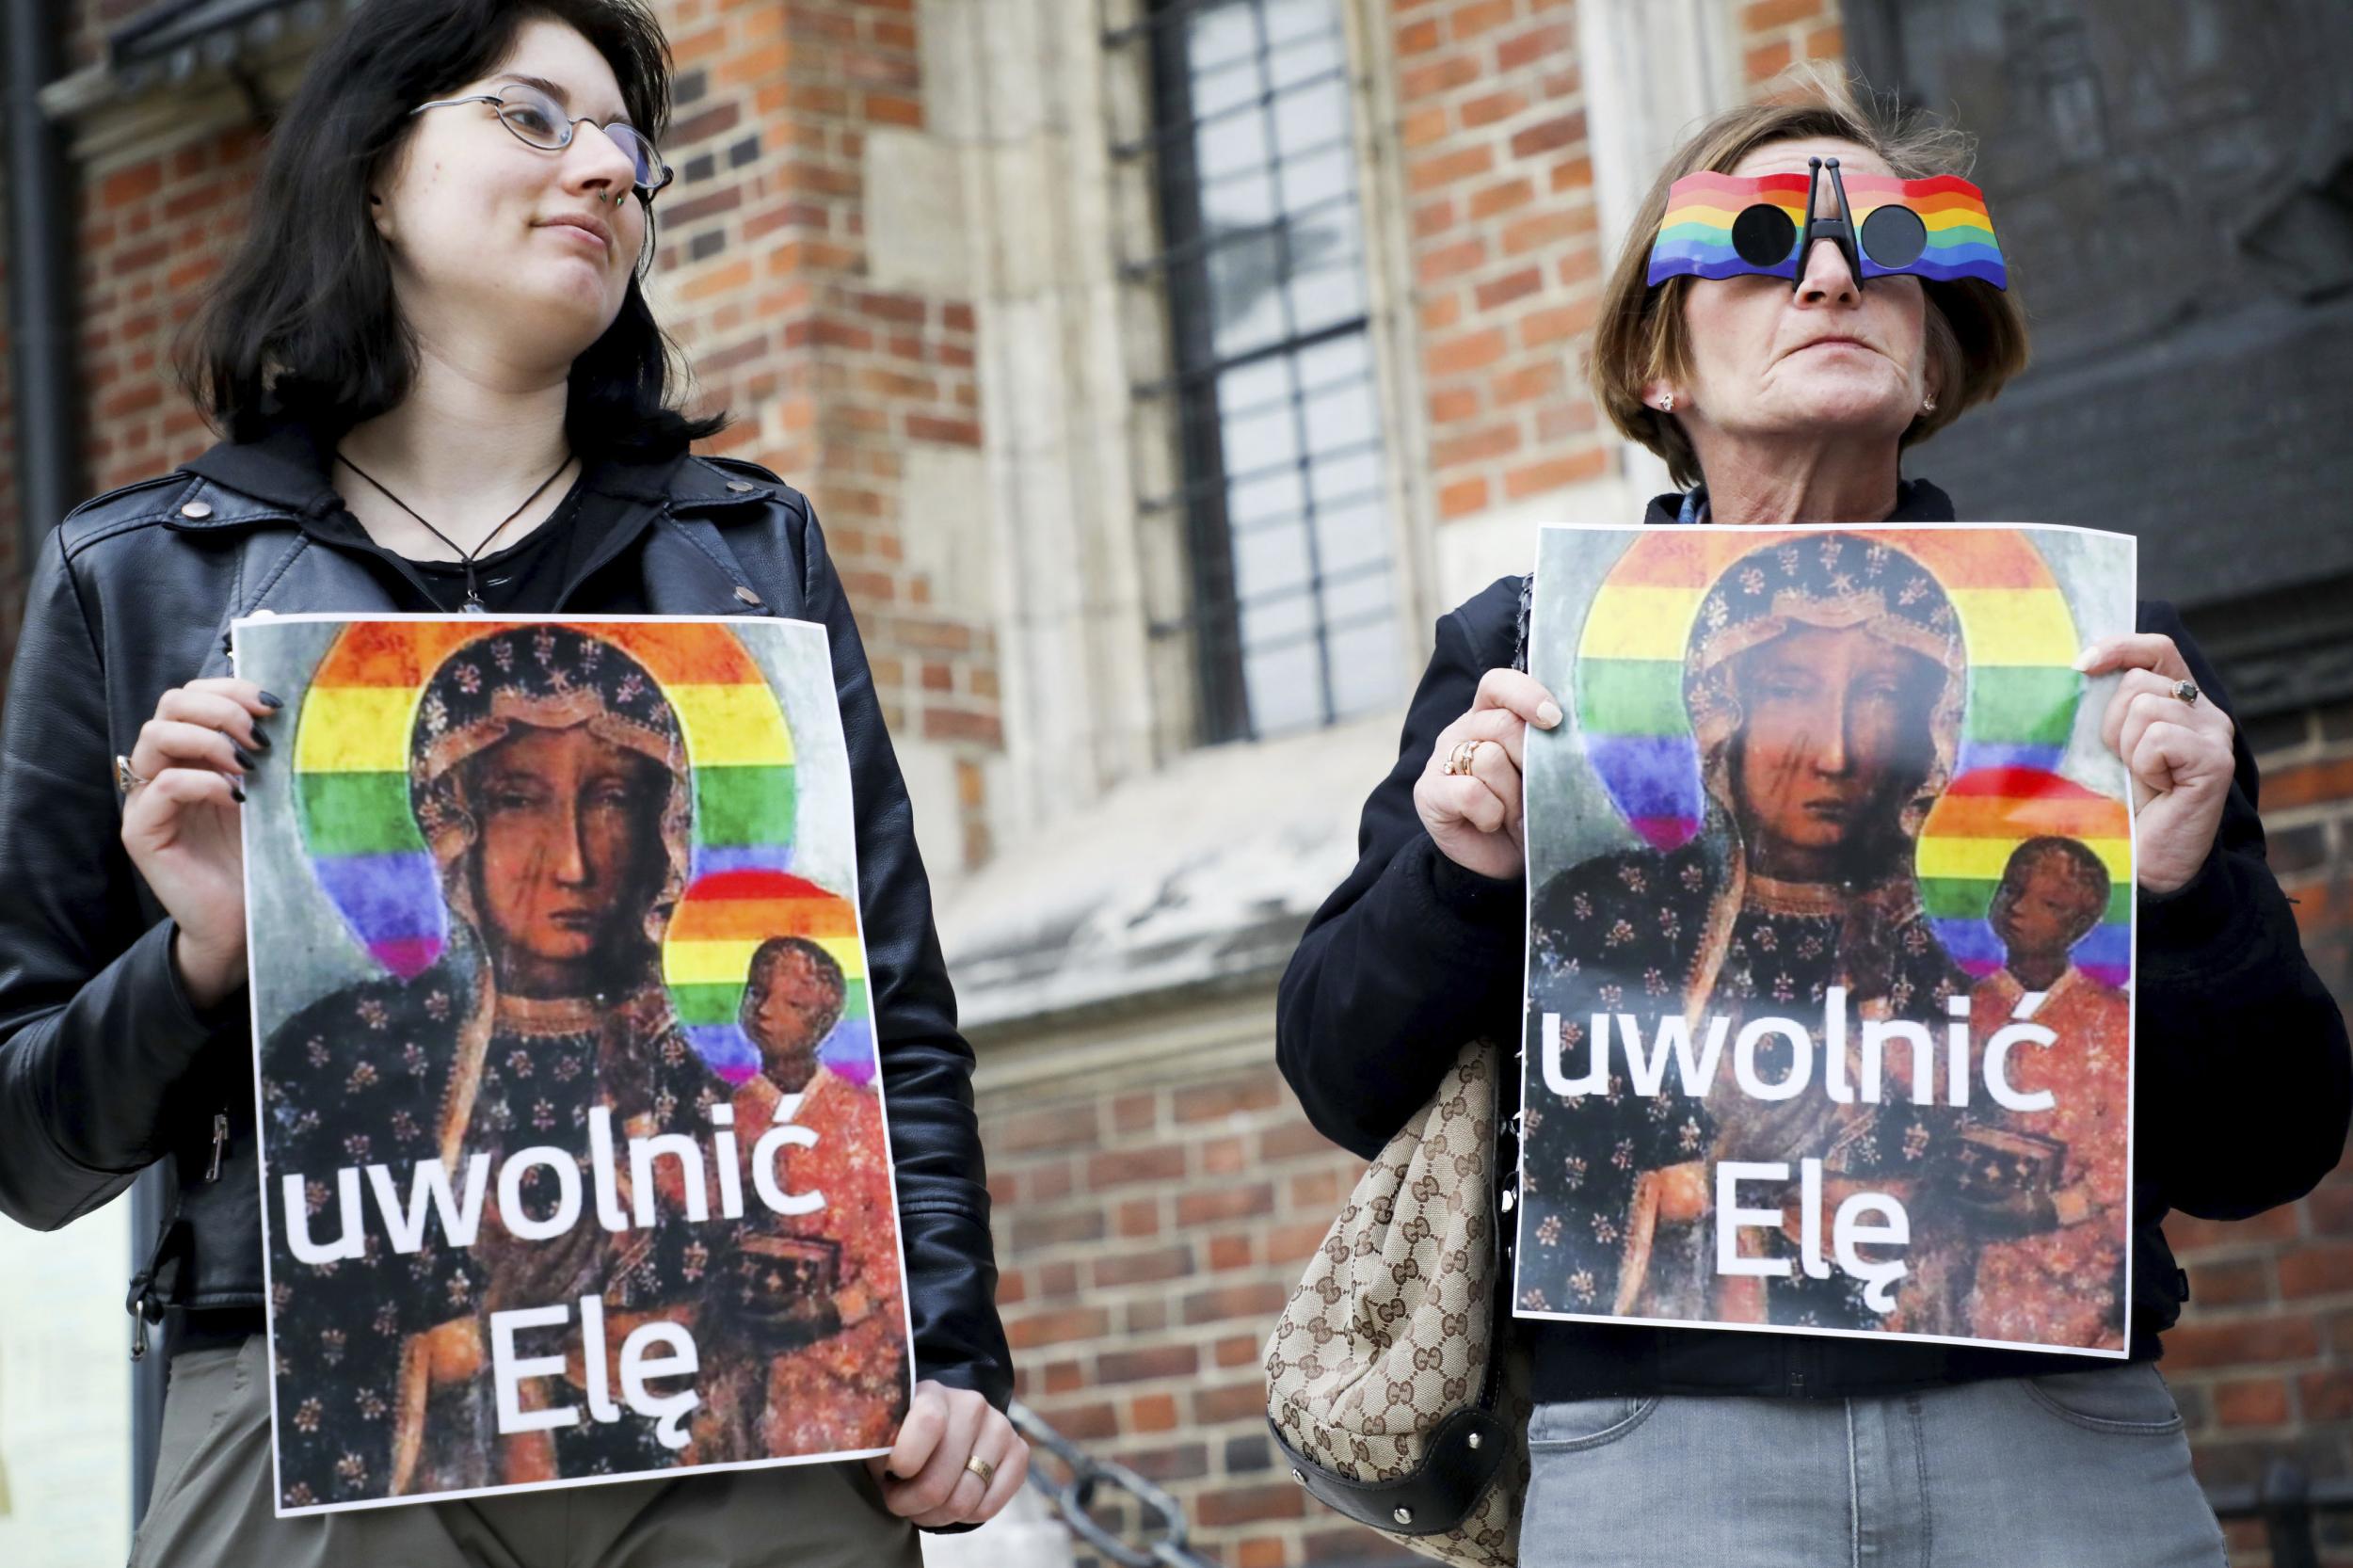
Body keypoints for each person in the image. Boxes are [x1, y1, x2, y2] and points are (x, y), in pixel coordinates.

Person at [1277, 74, 2350, 1566]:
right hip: (1666, 1453)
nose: (1834, 272)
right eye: (1764, 240)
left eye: (1892, 246)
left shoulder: (2108, 671)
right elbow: (1338, 1066)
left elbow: (2270, 1145)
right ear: (1660, 360)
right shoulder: (1528, 655)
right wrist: (1460, 873)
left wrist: (2178, 896)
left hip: (2048, 1444)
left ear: (1931, 360)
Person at [0, 2, 1021, 1562]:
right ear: (373, 175)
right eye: (531, 119)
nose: (605, 169)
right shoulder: (137, 579)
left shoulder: (744, 558)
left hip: (739, 1420)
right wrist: (202, 958)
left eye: (625, 142)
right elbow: (27, 1146)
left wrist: (946, 1350)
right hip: (319, 1413)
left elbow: (890, 1014)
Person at [1521, 532, 1971, 1332]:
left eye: (1878, 697)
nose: (1835, 751)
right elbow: (1555, 1170)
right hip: (1671, 1399)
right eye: (1792, 688)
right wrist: (1689, 1189)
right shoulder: (1608, 918)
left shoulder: (1952, 949)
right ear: (1720, 707)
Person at [722, 936, 910, 1455]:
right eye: (757, 993)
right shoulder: (725, 1119)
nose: (766, 1011)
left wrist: (834, 1311)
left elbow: (893, 1242)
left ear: (824, 1022)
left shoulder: (864, 1118)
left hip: (849, 1367)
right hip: (747, 1357)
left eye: (794, 1004)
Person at [1961, 837, 2133, 1350]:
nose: (2018, 908)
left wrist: (2054, 1209)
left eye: (2050, 903)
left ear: (2080, 925)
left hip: (2074, 1272)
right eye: (2011, 890)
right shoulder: (1962, 1008)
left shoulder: (2113, 1021)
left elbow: (2122, 1153)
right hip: (1969, 1253)